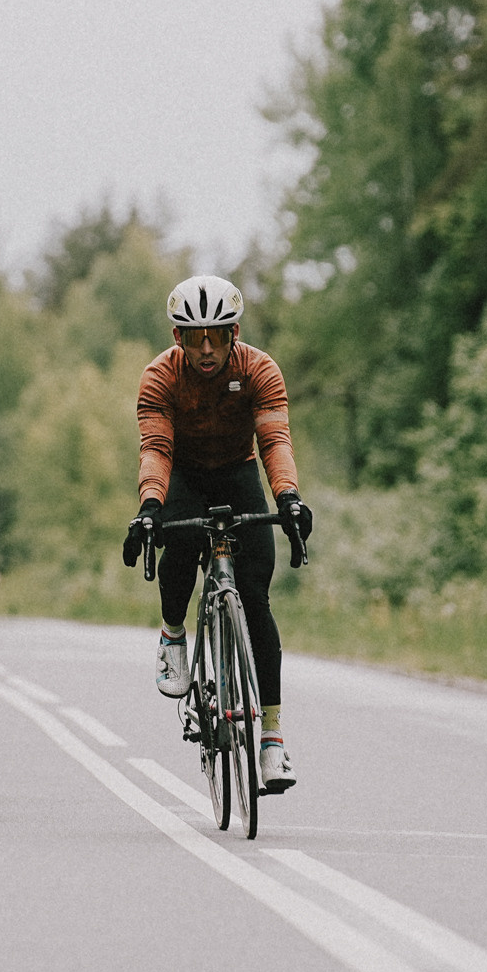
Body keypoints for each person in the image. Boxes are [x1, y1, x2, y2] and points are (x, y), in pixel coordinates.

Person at [123, 275, 312, 793]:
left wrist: (289, 498)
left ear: (234, 332)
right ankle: (173, 634)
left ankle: (271, 740)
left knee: (255, 598)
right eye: (193, 336)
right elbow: (157, 448)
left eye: (217, 335)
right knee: (179, 546)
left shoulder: (259, 369)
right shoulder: (160, 376)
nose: (206, 349)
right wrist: (150, 506)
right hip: (184, 473)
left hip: (237, 471)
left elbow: (274, 439)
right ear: (176, 336)